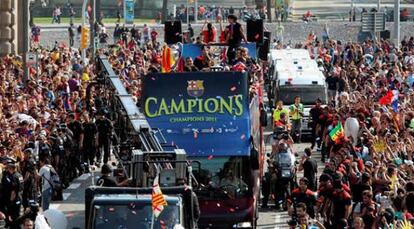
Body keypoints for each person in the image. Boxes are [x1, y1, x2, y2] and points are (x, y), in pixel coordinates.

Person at [1, 160, 23, 228]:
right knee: (14, 214)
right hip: (17, 198)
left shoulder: (14, 177)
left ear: (11, 168)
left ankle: (15, 226)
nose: (7, 169)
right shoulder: (18, 175)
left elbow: (14, 191)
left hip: (14, 199)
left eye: (8, 167)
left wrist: (10, 201)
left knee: (14, 215)